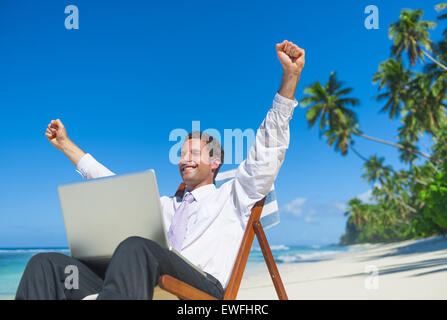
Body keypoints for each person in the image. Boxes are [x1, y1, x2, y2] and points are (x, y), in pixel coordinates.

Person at [15, 40, 305, 300]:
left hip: (200, 286)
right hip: (145, 276)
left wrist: (290, 78)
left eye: (193, 152)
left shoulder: (235, 195)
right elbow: (113, 186)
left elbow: (267, 151)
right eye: (180, 154)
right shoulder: (166, 207)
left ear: (216, 162)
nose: (184, 159)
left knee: (134, 247)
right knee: (46, 265)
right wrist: (66, 144)